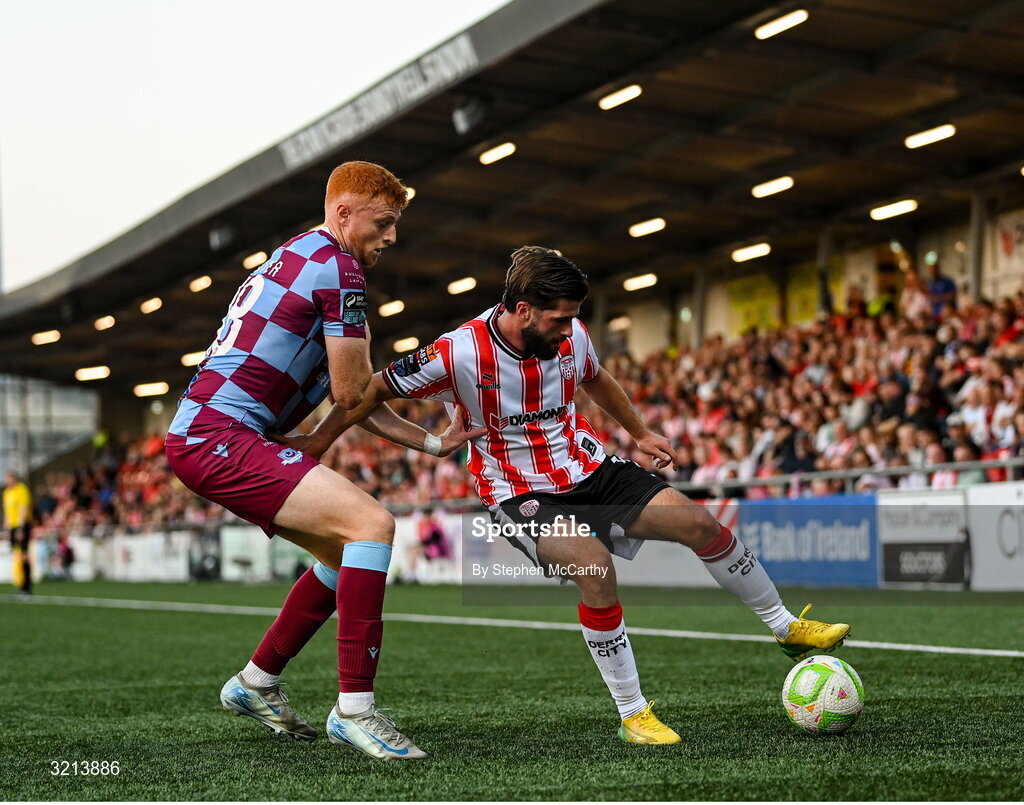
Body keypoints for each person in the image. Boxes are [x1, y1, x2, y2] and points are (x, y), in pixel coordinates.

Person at [281, 245, 851, 745]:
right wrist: (322, 441)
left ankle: (784, 626)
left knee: (702, 525)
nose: (567, 329)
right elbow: (363, 392)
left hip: (591, 467)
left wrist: (640, 433)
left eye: (571, 320)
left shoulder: (571, 333)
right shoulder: (457, 353)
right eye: (557, 319)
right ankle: (634, 713)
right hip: (518, 492)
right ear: (522, 310)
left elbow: (597, 376)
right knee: (594, 566)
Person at [165, 161, 478, 760]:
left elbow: (355, 392)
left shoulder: (302, 256)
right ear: (344, 213)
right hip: (220, 435)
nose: (392, 237)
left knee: (341, 553)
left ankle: (256, 682)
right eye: (384, 223)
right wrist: (332, 431)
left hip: (210, 434)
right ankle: (355, 710)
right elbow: (354, 393)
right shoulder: (340, 270)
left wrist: (435, 444)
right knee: (373, 525)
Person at [4, 471, 33, 596]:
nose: (7, 481)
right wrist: (6, 527)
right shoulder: (6, 493)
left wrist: (21, 528)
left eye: (8, 479)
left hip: (22, 525)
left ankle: (26, 586)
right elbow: (7, 511)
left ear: (14, 479)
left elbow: (23, 508)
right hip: (12, 527)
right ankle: (19, 584)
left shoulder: (22, 490)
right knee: (16, 555)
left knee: (23, 555)